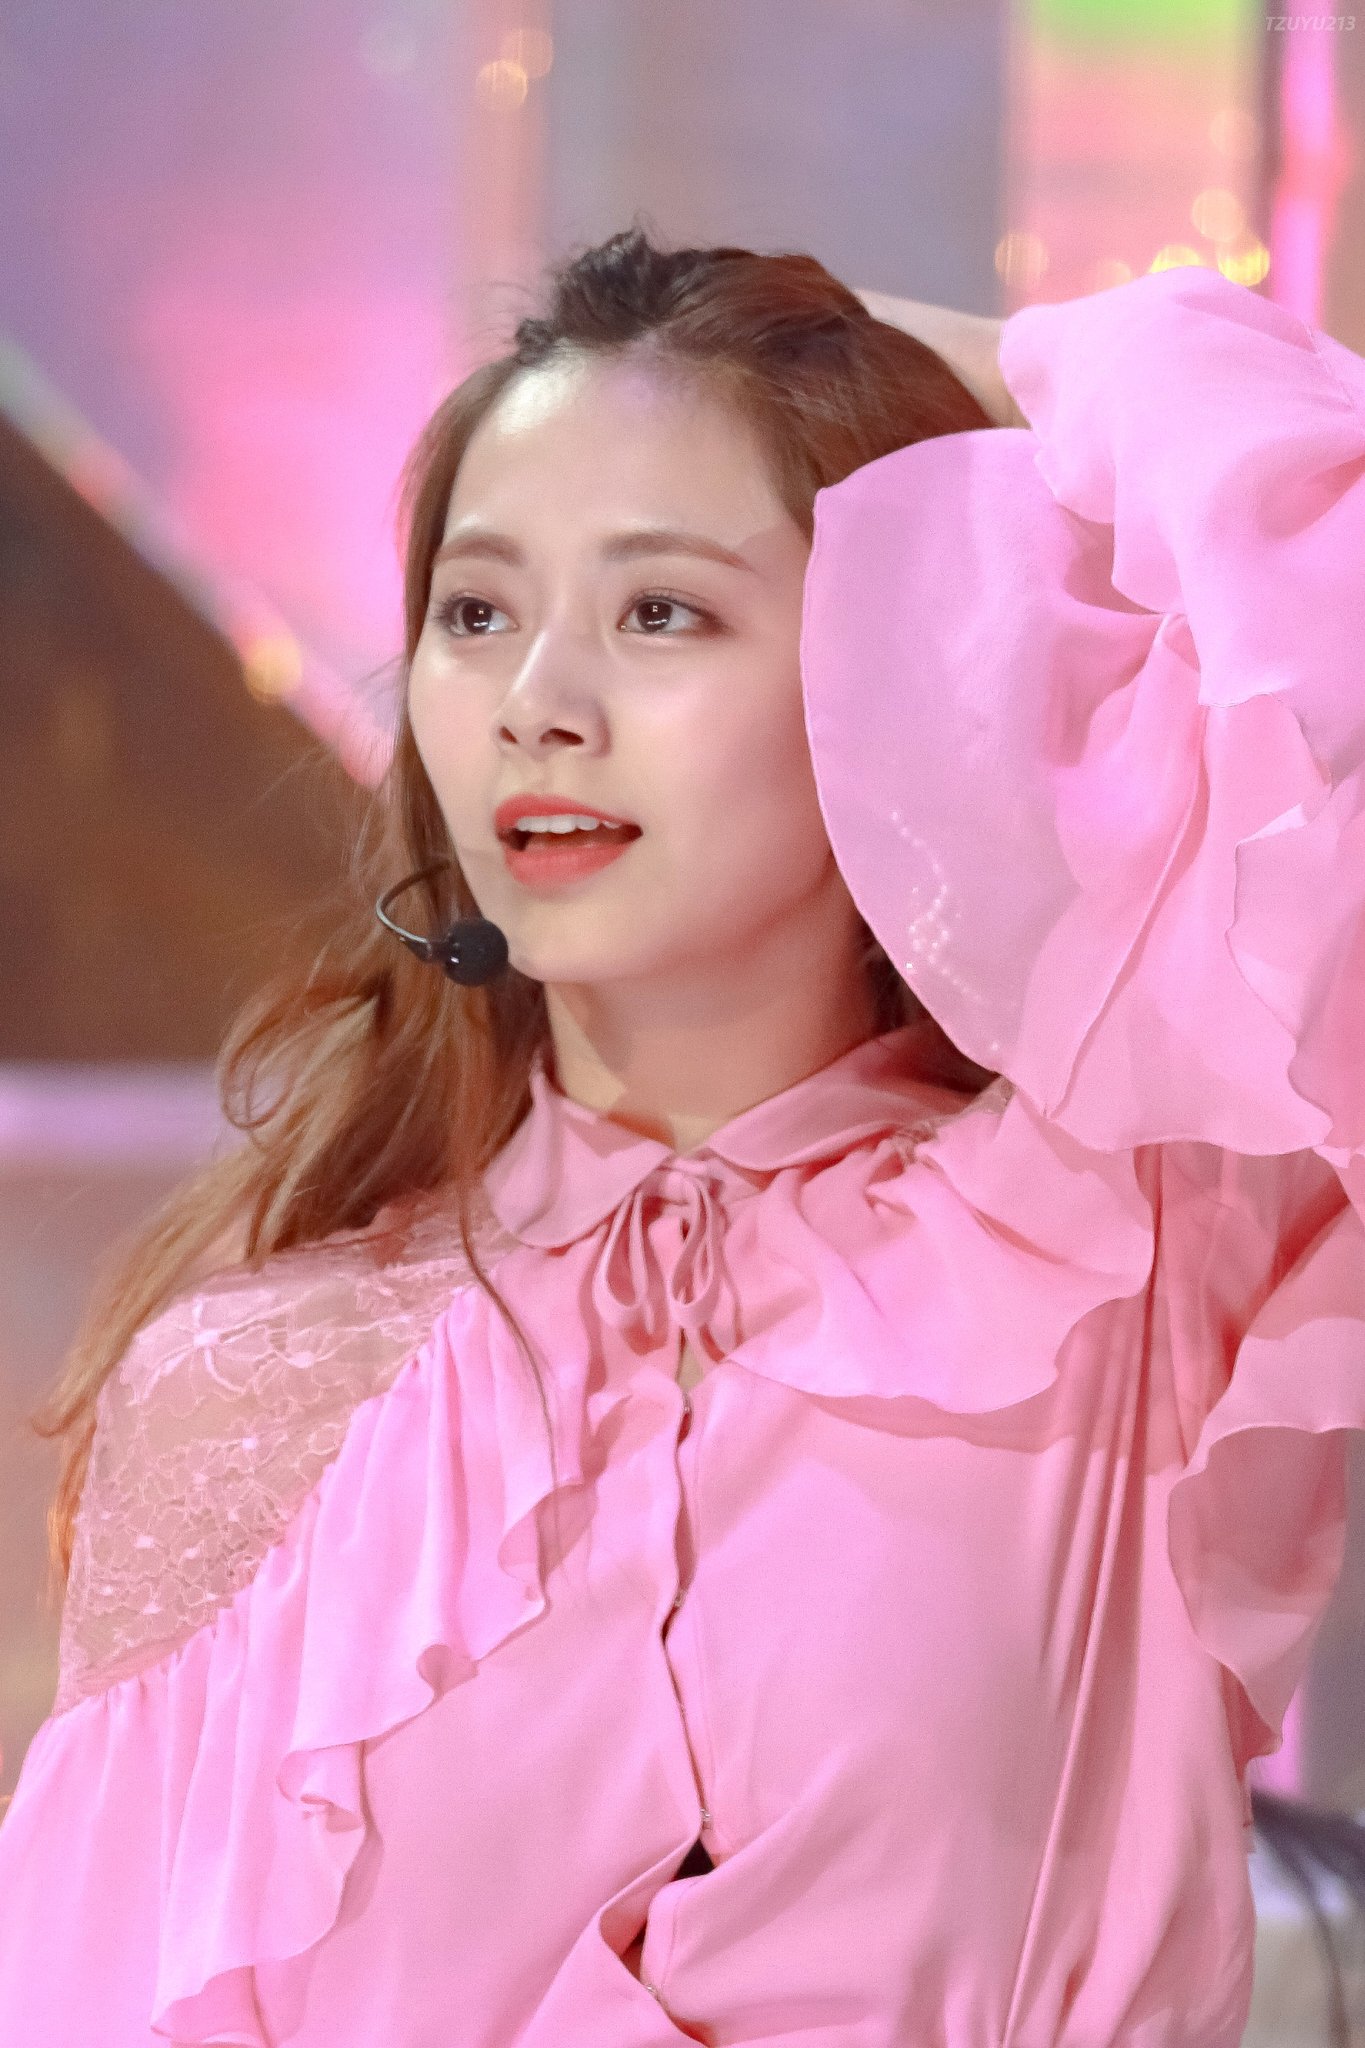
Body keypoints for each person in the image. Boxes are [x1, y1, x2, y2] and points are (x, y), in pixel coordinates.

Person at [1, 221, 1363, 2048]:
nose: (536, 705)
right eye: (476, 614)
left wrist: (897, 355)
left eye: (661, 611)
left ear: (898, 662)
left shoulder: (1131, 1222)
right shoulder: (255, 1388)